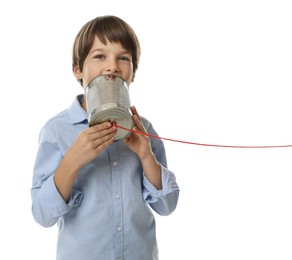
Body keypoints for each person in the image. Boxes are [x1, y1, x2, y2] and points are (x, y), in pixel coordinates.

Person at [31, 15, 180, 260]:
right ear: (78, 69)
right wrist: (71, 162)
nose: (112, 66)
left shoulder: (145, 129)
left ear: (132, 73)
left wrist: (145, 154)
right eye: (100, 56)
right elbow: (42, 215)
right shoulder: (57, 130)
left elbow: (167, 206)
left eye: (123, 58)